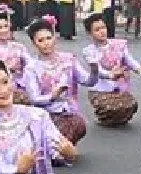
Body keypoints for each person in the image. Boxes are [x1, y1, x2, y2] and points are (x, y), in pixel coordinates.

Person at [21, 16, 98, 152]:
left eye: (48, 38)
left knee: (79, 124)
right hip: (46, 115)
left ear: (55, 37)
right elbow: (34, 99)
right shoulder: (31, 67)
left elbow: (88, 81)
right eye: (40, 40)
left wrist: (94, 68)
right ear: (34, 43)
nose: (46, 43)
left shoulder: (68, 59)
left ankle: (62, 148)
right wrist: (53, 96)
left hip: (68, 112)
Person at [80, 12, 141, 127]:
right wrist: (110, 75)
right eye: (97, 29)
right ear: (90, 33)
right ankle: (104, 118)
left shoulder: (119, 44)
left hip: (119, 85)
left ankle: (117, 118)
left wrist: (138, 68)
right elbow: (97, 70)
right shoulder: (88, 51)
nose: (102, 31)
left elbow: (129, 59)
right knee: (108, 107)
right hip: (100, 88)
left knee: (132, 104)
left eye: (103, 27)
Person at [0, 9, 34, 106]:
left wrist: (24, 82)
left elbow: (30, 66)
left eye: (6, 26)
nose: (4, 30)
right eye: (0, 27)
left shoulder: (19, 47)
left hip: (20, 88)